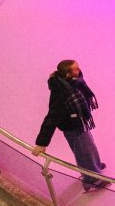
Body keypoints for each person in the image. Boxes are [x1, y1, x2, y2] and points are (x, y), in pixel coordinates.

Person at [31, 60, 108, 192]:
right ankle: (91, 180)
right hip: (73, 127)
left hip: (80, 123)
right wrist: (41, 143)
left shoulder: (73, 82)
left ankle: (94, 166)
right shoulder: (61, 92)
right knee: (83, 152)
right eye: (76, 69)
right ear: (67, 74)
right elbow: (52, 116)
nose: (79, 70)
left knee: (89, 146)